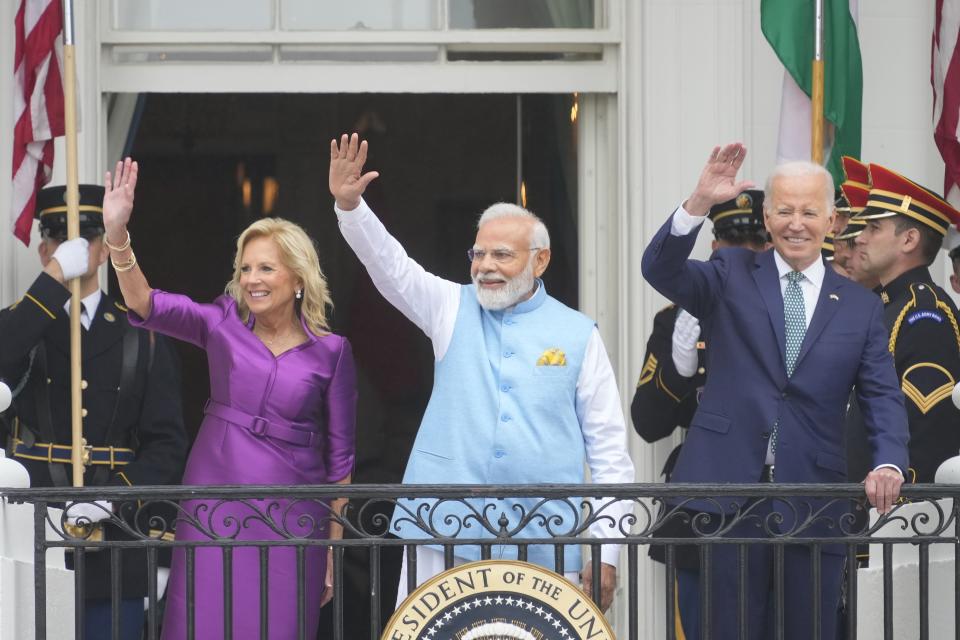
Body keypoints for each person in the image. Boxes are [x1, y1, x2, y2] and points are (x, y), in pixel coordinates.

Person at [328, 133, 634, 613]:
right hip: (443, 530)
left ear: (541, 260)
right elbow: (392, 267)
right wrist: (351, 208)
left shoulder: (579, 334)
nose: (485, 267)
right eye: (478, 254)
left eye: (502, 256)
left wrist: (608, 550)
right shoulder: (450, 306)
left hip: (549, 540)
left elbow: (611, 453)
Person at [641, 143, 910, 640]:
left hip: (813, 498)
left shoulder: (859, 306)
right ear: (767, 217)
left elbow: (882, 395)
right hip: (726, 496)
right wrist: (697, 203)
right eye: (784, 210)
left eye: (809, 212)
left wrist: (889, 461)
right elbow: (660, 269)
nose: (796, 223)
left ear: (833, 221)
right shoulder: (730, 275)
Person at [99, 158, 358, 639]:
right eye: (244, 269)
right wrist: (118, 234)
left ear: (298, 279)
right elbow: (145, 303)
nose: (252, 279)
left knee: (279, 625)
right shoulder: (220, 322)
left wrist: (331, 549)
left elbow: (340, 460)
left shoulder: (332, 352)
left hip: (295, 513)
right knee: (205, 620)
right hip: (216, 497)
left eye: (266, 268)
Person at [0, 184, 188, 640]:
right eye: (60, 242)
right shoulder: (20, 325)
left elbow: (167, 443)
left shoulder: (140, 336)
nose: (74, 251)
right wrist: (52, 280)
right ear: (45, 248)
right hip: (32, 534)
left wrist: (116, 497)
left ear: (104, 250)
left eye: (84, 240)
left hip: (112, 542)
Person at [632, 190, 766, 638]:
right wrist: (679, 369)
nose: (743, 252)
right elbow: (648, 423)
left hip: (775, 494)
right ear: (713, 247)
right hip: (708, 495)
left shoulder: (794, 311)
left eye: (755, 241)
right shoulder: (679, 316)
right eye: (729, 238)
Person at [853, 163, 960, 483]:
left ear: (909, 239)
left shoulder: (923, 313)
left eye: (873, 228)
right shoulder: (889, 305)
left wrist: (906, 506)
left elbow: (929, 429)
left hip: (903, 519)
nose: (860, 238)